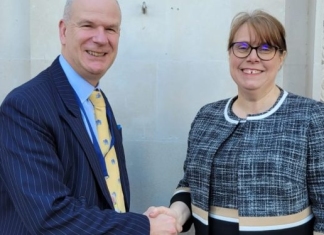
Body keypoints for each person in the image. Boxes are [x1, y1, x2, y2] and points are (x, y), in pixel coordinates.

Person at [0, 0, 181, 234]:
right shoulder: (25, 107)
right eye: (88, 25)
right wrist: (143, 227)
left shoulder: (97, 101)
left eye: (110, 29)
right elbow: (50, 216)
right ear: (64, 31)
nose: (100, 38)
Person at [148, 10, 324, 235]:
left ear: (281, 57)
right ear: (230, 53)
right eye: (242, 47)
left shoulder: (311, 116)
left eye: (266, 48)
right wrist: (174, 215)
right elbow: (190, 185)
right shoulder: (206, 117)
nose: (252, 57)